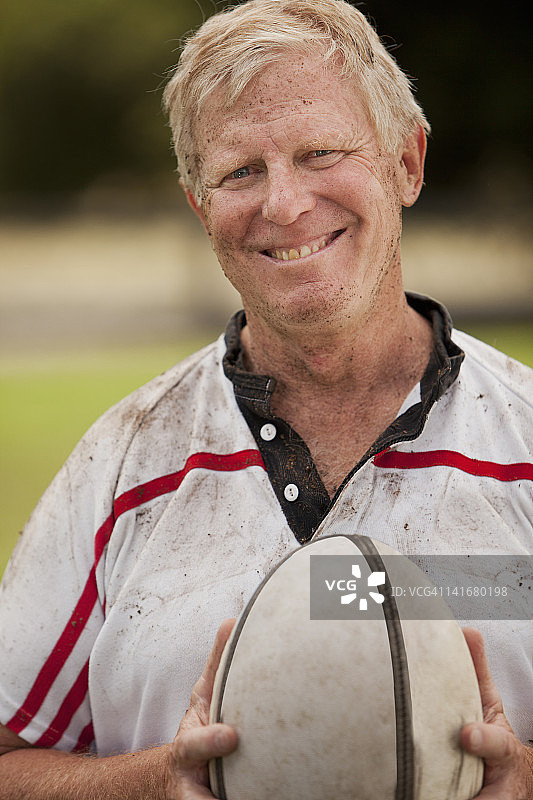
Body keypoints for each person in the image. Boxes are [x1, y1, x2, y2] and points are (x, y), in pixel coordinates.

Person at [0, 0, 531, 796]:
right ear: (199, 206)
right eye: (239, 171)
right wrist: (159, 784)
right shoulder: (123, 462)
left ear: (406, 164)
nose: (282, 204)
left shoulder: (521, 440)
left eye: (320, 152)